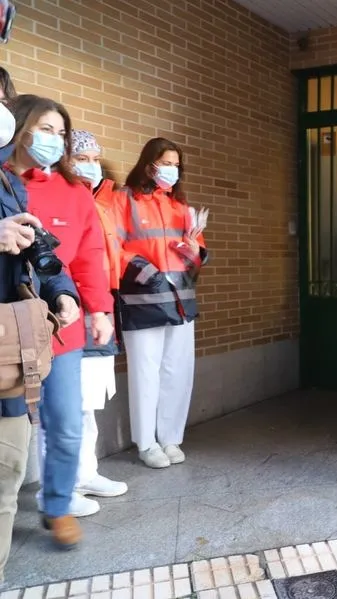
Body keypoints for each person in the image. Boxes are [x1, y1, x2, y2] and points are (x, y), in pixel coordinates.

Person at [7, 94, 115, 549]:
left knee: (67, 420)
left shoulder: (73, 192)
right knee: (9, 429)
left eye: (60, 132)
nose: (55, 140)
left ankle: (56, 506)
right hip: (7, 327)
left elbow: (88, 255)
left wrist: (100, 308)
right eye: (45, 129)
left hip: (59, 324)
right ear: (19, 127)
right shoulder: (6, 183)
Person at [0, 95, 80, 580]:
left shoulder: (9, 185)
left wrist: (63, 291)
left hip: (11, 352)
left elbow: (38, 254)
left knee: (7, 478)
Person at [115, 137, 208, 469]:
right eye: (165, 163)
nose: (171, 170)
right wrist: (145, 270)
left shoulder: (180, 206)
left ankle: (171, 437)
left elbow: (198, 252)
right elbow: (115, 245)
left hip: (180, 299)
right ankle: (146, 443)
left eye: (175, 165)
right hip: (142, 299)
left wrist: (195, 253)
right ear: (148, 163)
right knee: (145, 372)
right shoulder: (124, 200)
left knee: (178, 372)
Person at [68, 129, 128, 501]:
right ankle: (65, 481)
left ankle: (85, 472)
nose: (91, 166)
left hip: (100, 305)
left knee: (88, 399)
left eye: (95, 159)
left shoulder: (104, 202)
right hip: (70, 307)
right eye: (82, 158)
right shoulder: (65, 200)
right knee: (66, 403)